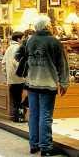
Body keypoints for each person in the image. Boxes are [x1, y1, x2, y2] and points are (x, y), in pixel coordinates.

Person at [25, 16, 69, 156]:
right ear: (46, 26)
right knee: (45, 115)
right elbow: (62, 64)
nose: (51, 26)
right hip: (47, 83)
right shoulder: (54, 41)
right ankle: (46, 147)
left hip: (32, 83)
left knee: (34, 114)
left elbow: (25, 60)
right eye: (49, 24)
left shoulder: (30, 40)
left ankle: (34, 145)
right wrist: (64, 82)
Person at [2, 31, 27, 122]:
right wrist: (24, 75)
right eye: (23, 38)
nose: (24, 40)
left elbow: (3, 63)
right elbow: (18, 63)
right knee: (22, 100)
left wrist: (7, 75)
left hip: (11, 79)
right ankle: (20, 117)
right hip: (20, 79)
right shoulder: (19, 48)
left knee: (16, 100)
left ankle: (17, 117)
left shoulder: (8, 48)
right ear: (18, 39)